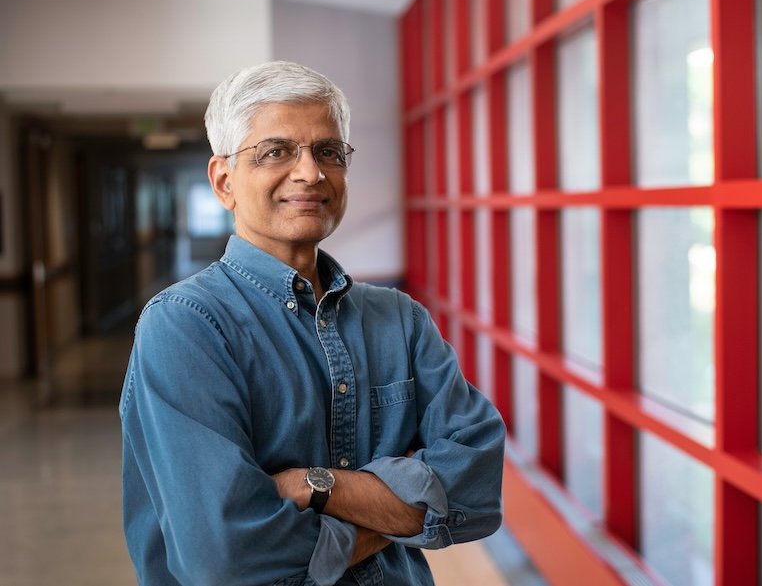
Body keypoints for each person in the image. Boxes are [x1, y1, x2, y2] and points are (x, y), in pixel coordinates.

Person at [119, 60, 506, 586]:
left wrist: (317, 487)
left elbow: (477, 486)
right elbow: (227, 556)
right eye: (276, 151)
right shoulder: (186, 326)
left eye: (328, 151)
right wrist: (403, 513)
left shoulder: (400, 320)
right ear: (224, 180)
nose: (310, 172)